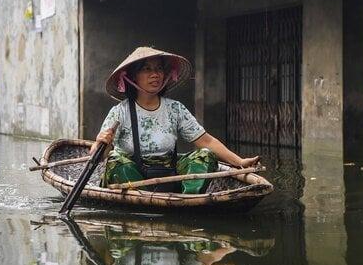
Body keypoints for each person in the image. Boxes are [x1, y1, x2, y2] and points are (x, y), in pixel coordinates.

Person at [91, 46, 259, 194]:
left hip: (168, 174)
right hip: (133, 177)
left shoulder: (175, 109)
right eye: (147, 69)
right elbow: (99, 155)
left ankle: (187, 199)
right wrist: (101, 143)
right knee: (115, 161)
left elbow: (206, 141)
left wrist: (240, 162)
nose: (155, 74)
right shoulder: (120, 111)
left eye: (158, 69)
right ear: (132, 77)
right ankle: (145, 199)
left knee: (205, 156)